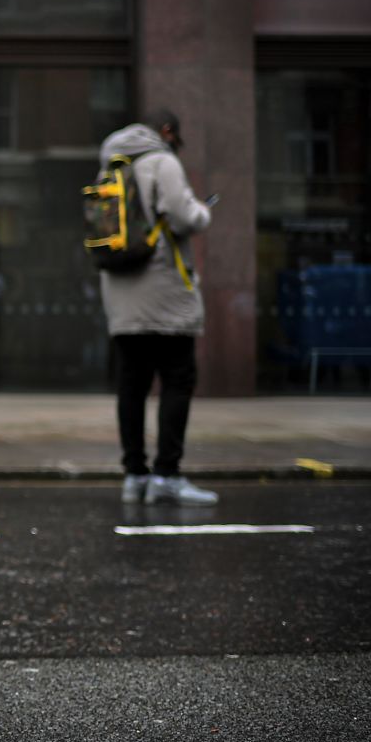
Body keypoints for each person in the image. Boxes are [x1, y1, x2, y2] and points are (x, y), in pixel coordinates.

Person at [98, 109, 218, 506]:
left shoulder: (110, 166)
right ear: (166, 132)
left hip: (121, 294)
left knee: (131, 386)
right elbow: (184, 216)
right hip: (165, 293)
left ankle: (134, 475)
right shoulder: (162, 161)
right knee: (177, 380)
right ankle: (167, 475)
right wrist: (204, 210)